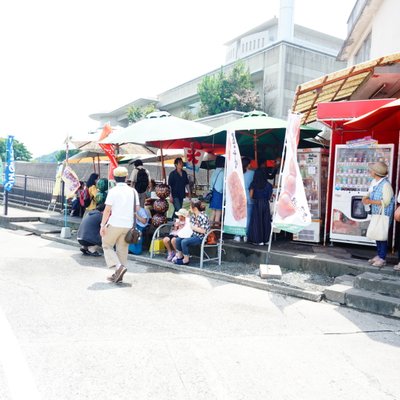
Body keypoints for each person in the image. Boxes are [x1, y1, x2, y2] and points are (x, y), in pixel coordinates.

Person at [100, 166, 140, 283]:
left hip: (114, 223)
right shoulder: (133, 191)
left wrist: (103, 225)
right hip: (128, 225)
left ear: (114, 178)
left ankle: (118, 267)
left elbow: (107, 210)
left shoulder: (113, 191)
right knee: (122, 249)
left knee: (106, 244)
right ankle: (118, 275)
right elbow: (137, 208)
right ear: (126, 177)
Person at [362, 161, 394, 268]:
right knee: (377, 234)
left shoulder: (386, 185)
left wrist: (370, 202)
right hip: (376, 212)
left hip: (384, 214)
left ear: (375, 173)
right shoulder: (374, 182)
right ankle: (379, 255)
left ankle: (382, 258)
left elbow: (386, 201)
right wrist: (365, 197)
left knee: (382, 236)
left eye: (371, 170)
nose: (370, 171)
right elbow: (370, 192)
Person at [174, 200, 210, 265]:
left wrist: (194, 227)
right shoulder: (193, 216)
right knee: (178, 239)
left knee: (184, 241)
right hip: (192, 235)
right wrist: (187, 218)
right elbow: (189, 225)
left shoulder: (203, 216)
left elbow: (203, 231)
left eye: (190, 207)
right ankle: (180, 256)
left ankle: (186, 259)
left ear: (195, 208)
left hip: (200, 237)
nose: (189, 209)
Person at [247, 162, 273, 246]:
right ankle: (266, 240)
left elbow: (251, 196)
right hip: (265, 203)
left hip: (257, 203)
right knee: (266, 221)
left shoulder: (253, 184)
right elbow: (270, 197)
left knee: (257, 222)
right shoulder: (269, 185)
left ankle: (258, 241)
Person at [234, 157, 255, 242]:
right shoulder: (252, 173)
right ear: (248, 165)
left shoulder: (237, 173)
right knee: (248, 218)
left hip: (238, 198)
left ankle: (237, 235)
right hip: (249, 197)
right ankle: (246, 235)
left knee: (239, 217)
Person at [209, 155, 225, 228]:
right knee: (218, 212)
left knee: (213, 212)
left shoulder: (214, 171)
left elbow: (211, 183)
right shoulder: (223, 172)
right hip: (219, 193)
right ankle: (215, 230)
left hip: (213, 193)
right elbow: (222, 186)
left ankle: (209, 228)